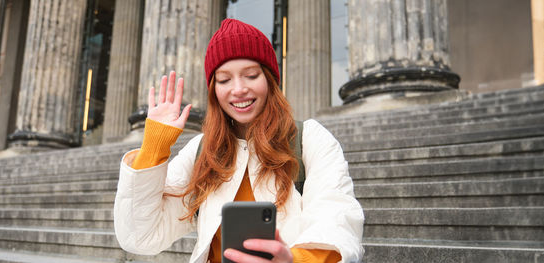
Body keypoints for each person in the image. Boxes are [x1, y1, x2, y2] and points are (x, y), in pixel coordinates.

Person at [114, 19, 364, 263]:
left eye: (251, 75)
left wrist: (292, 260)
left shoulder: (310, 138)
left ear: (270, 79)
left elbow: (338, 223)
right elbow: (140, 238)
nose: (238, 89)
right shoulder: (201, 151)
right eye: (224, 80)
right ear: (214, 90)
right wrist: (153, 148)